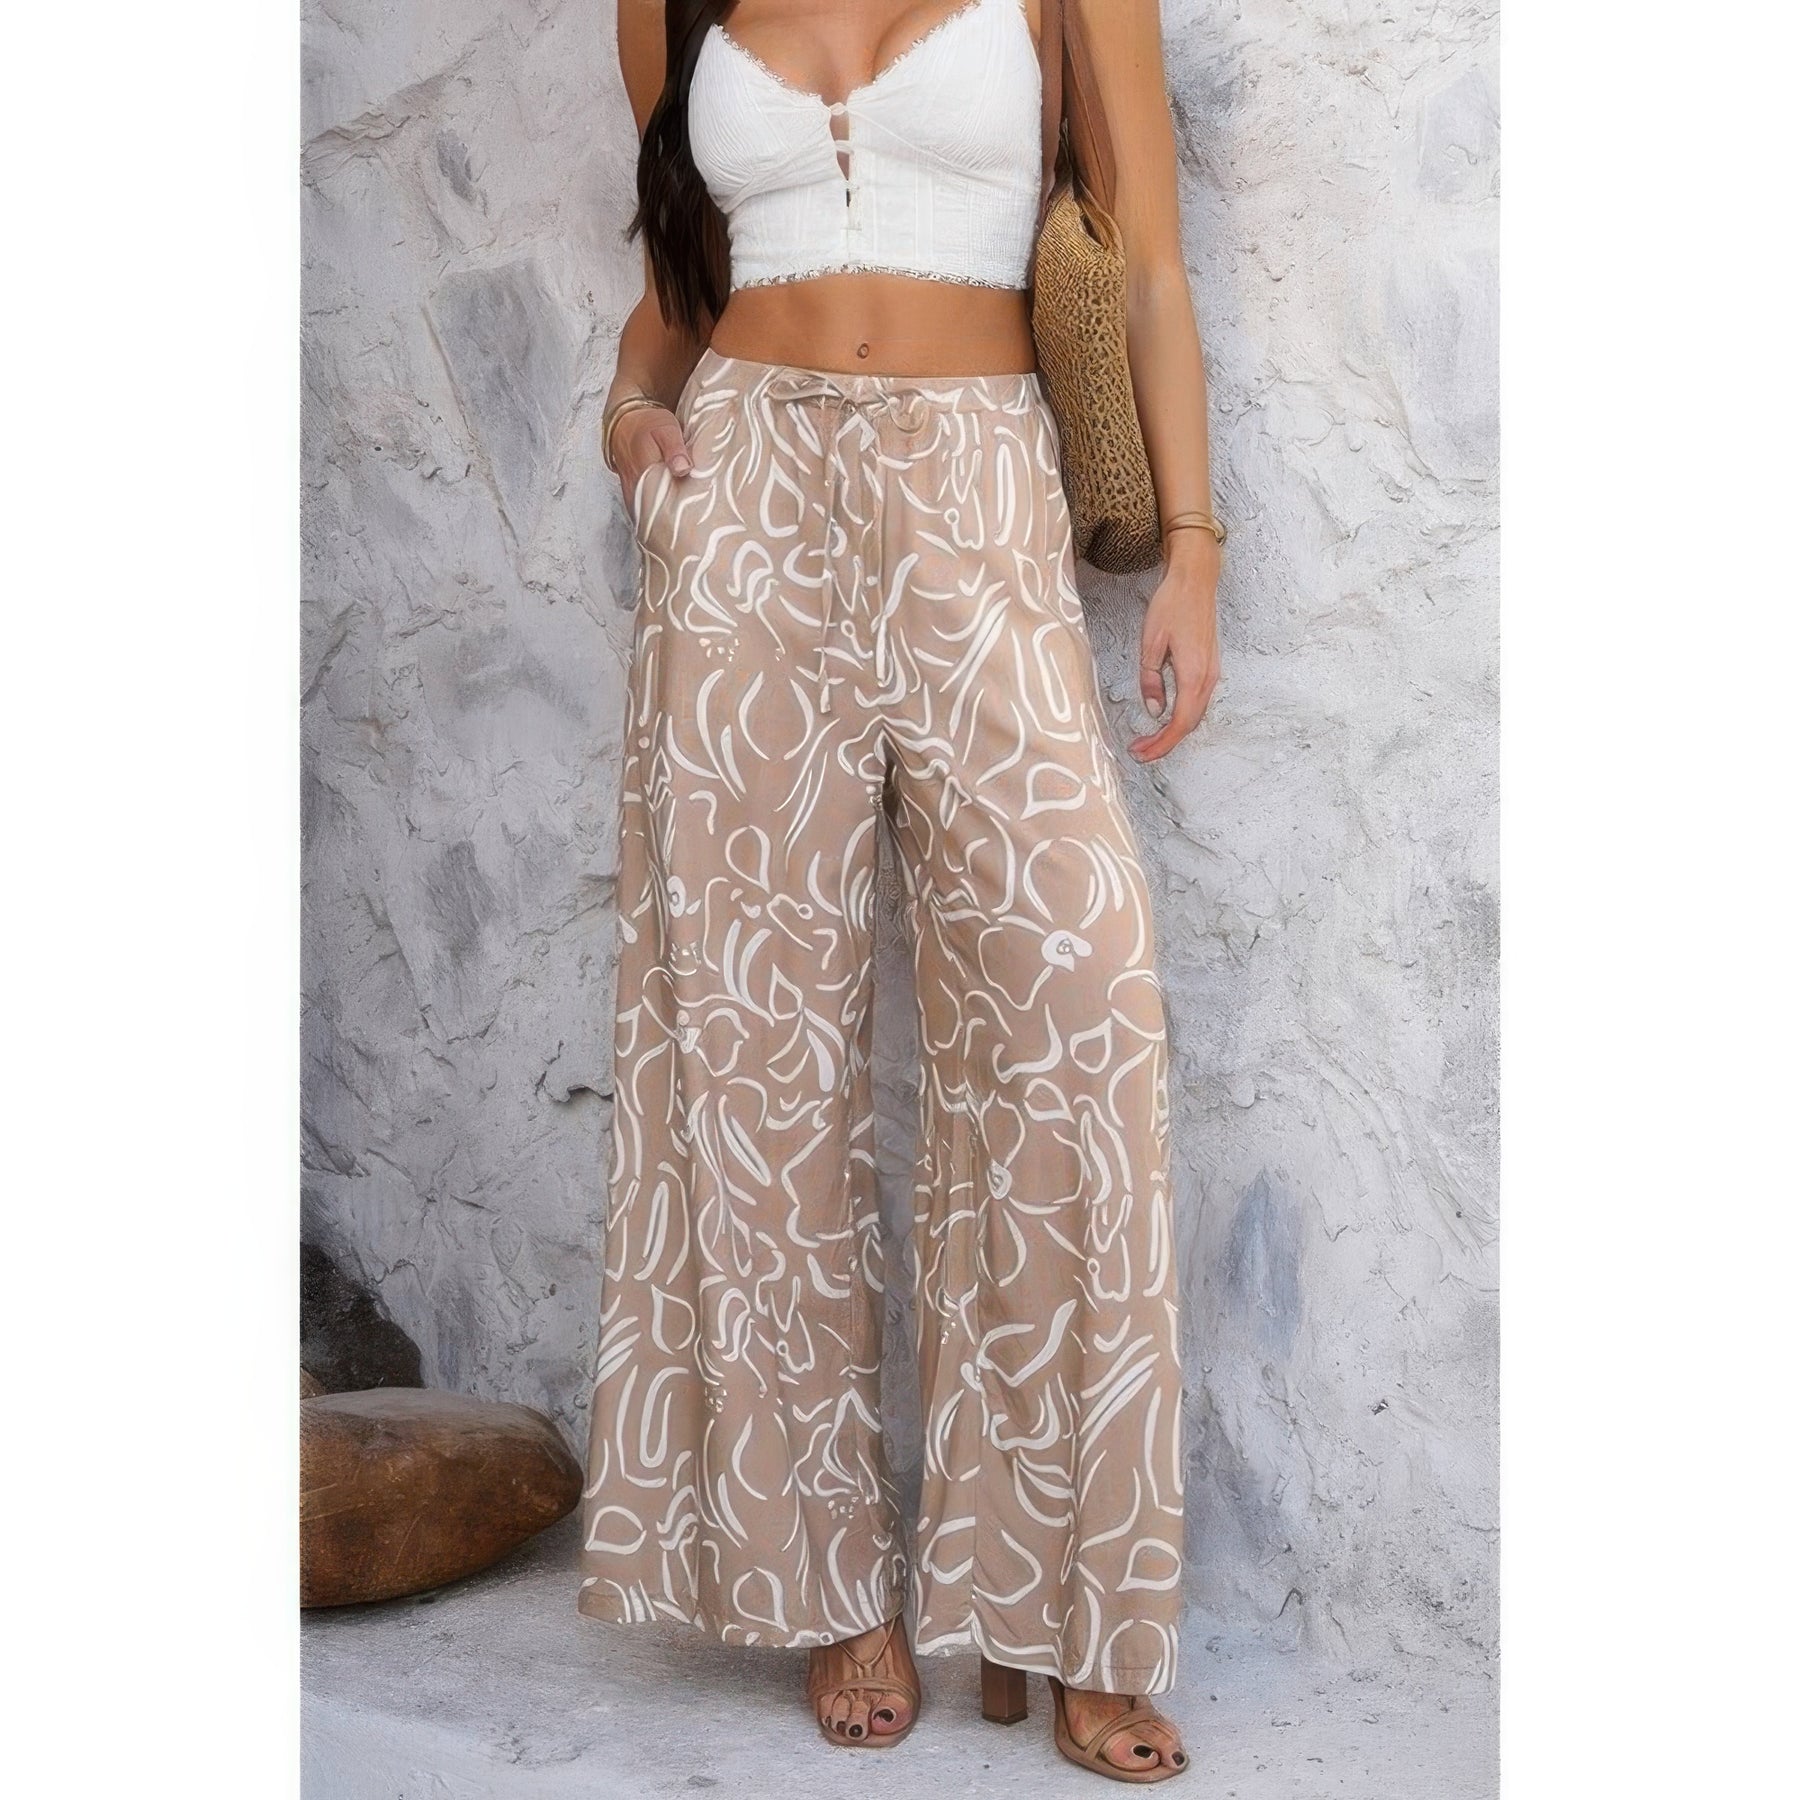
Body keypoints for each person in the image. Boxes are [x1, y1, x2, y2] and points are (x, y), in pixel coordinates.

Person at [578, 0, 1221, 1782]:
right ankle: (833, 1588)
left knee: (1081, 1015)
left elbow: (1148, 264)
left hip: (978, 485)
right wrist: (633, 412)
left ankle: (1066, 1607)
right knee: (755, 1053)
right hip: (745, 506)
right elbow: (682, 279)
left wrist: (1193, 548)